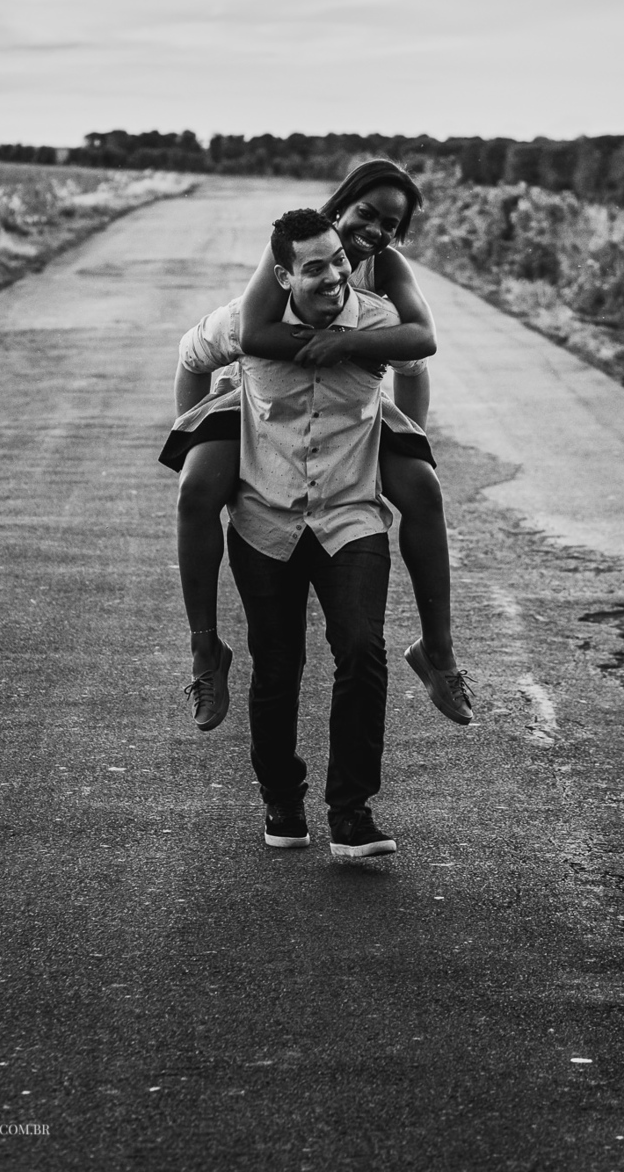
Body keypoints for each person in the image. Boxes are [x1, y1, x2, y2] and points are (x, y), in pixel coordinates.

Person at [159, 160, 471, 733]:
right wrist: (194, 425)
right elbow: (247, 336)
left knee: (422, 487)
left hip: (354, 404)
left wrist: (397, 434)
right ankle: (206, 651)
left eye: (389, 224)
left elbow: (419, 351)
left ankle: (438, 648)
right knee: (197, 486)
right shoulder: (291, 250)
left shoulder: (388, 272)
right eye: (366, 213)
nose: (374, 229)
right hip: (263, 397)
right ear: (341, 204)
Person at [174, 207, 405, 857]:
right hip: (265, 518)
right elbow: (189, 357)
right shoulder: (242, 327)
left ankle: (352, 812)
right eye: (314, 267)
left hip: (351, 515)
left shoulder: (380, 322)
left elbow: (415, 370)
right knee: (278, 666)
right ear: (283, 276)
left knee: (362, 649)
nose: (333, 275)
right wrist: (202, 436)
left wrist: (405, 450)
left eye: (337, 259)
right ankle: (280, 796)